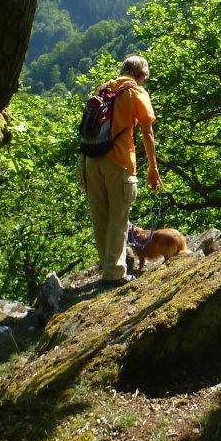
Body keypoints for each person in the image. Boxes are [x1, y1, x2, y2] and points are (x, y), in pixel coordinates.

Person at [78, 55, 162, 283]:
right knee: (119, 217)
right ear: (140, 75)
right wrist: (152, 167)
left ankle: (108, 266)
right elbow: (147, 132)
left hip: (91, 160)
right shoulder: (135, 92)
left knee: (100, 216)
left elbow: (87, 128)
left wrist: (81, 166)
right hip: (118, 161)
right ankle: (114, 274)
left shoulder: (104, 88)